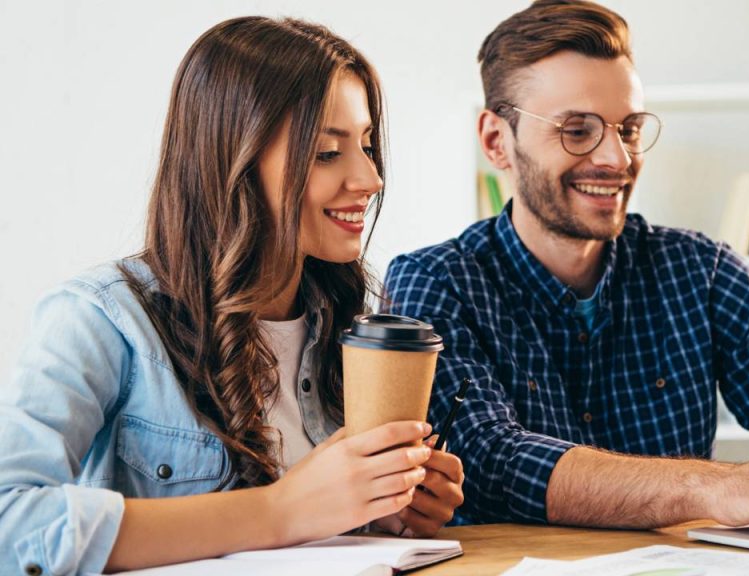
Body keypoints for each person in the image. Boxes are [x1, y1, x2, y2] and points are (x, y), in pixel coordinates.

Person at [384, 0, 749, 548]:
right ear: (497, 141)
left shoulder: (702, 273)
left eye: (629, 128)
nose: (617, 158)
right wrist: (718, 486)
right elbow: (490, 458)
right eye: (578, 130)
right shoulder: (434, 283)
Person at [0, 17, 463, 576]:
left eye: (366, 145)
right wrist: (278, 510)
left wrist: (384, 510)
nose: (370, 178)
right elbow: (13, 524)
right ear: (233, 162)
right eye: (325, 153)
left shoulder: (348, 325)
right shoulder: (100, 319)